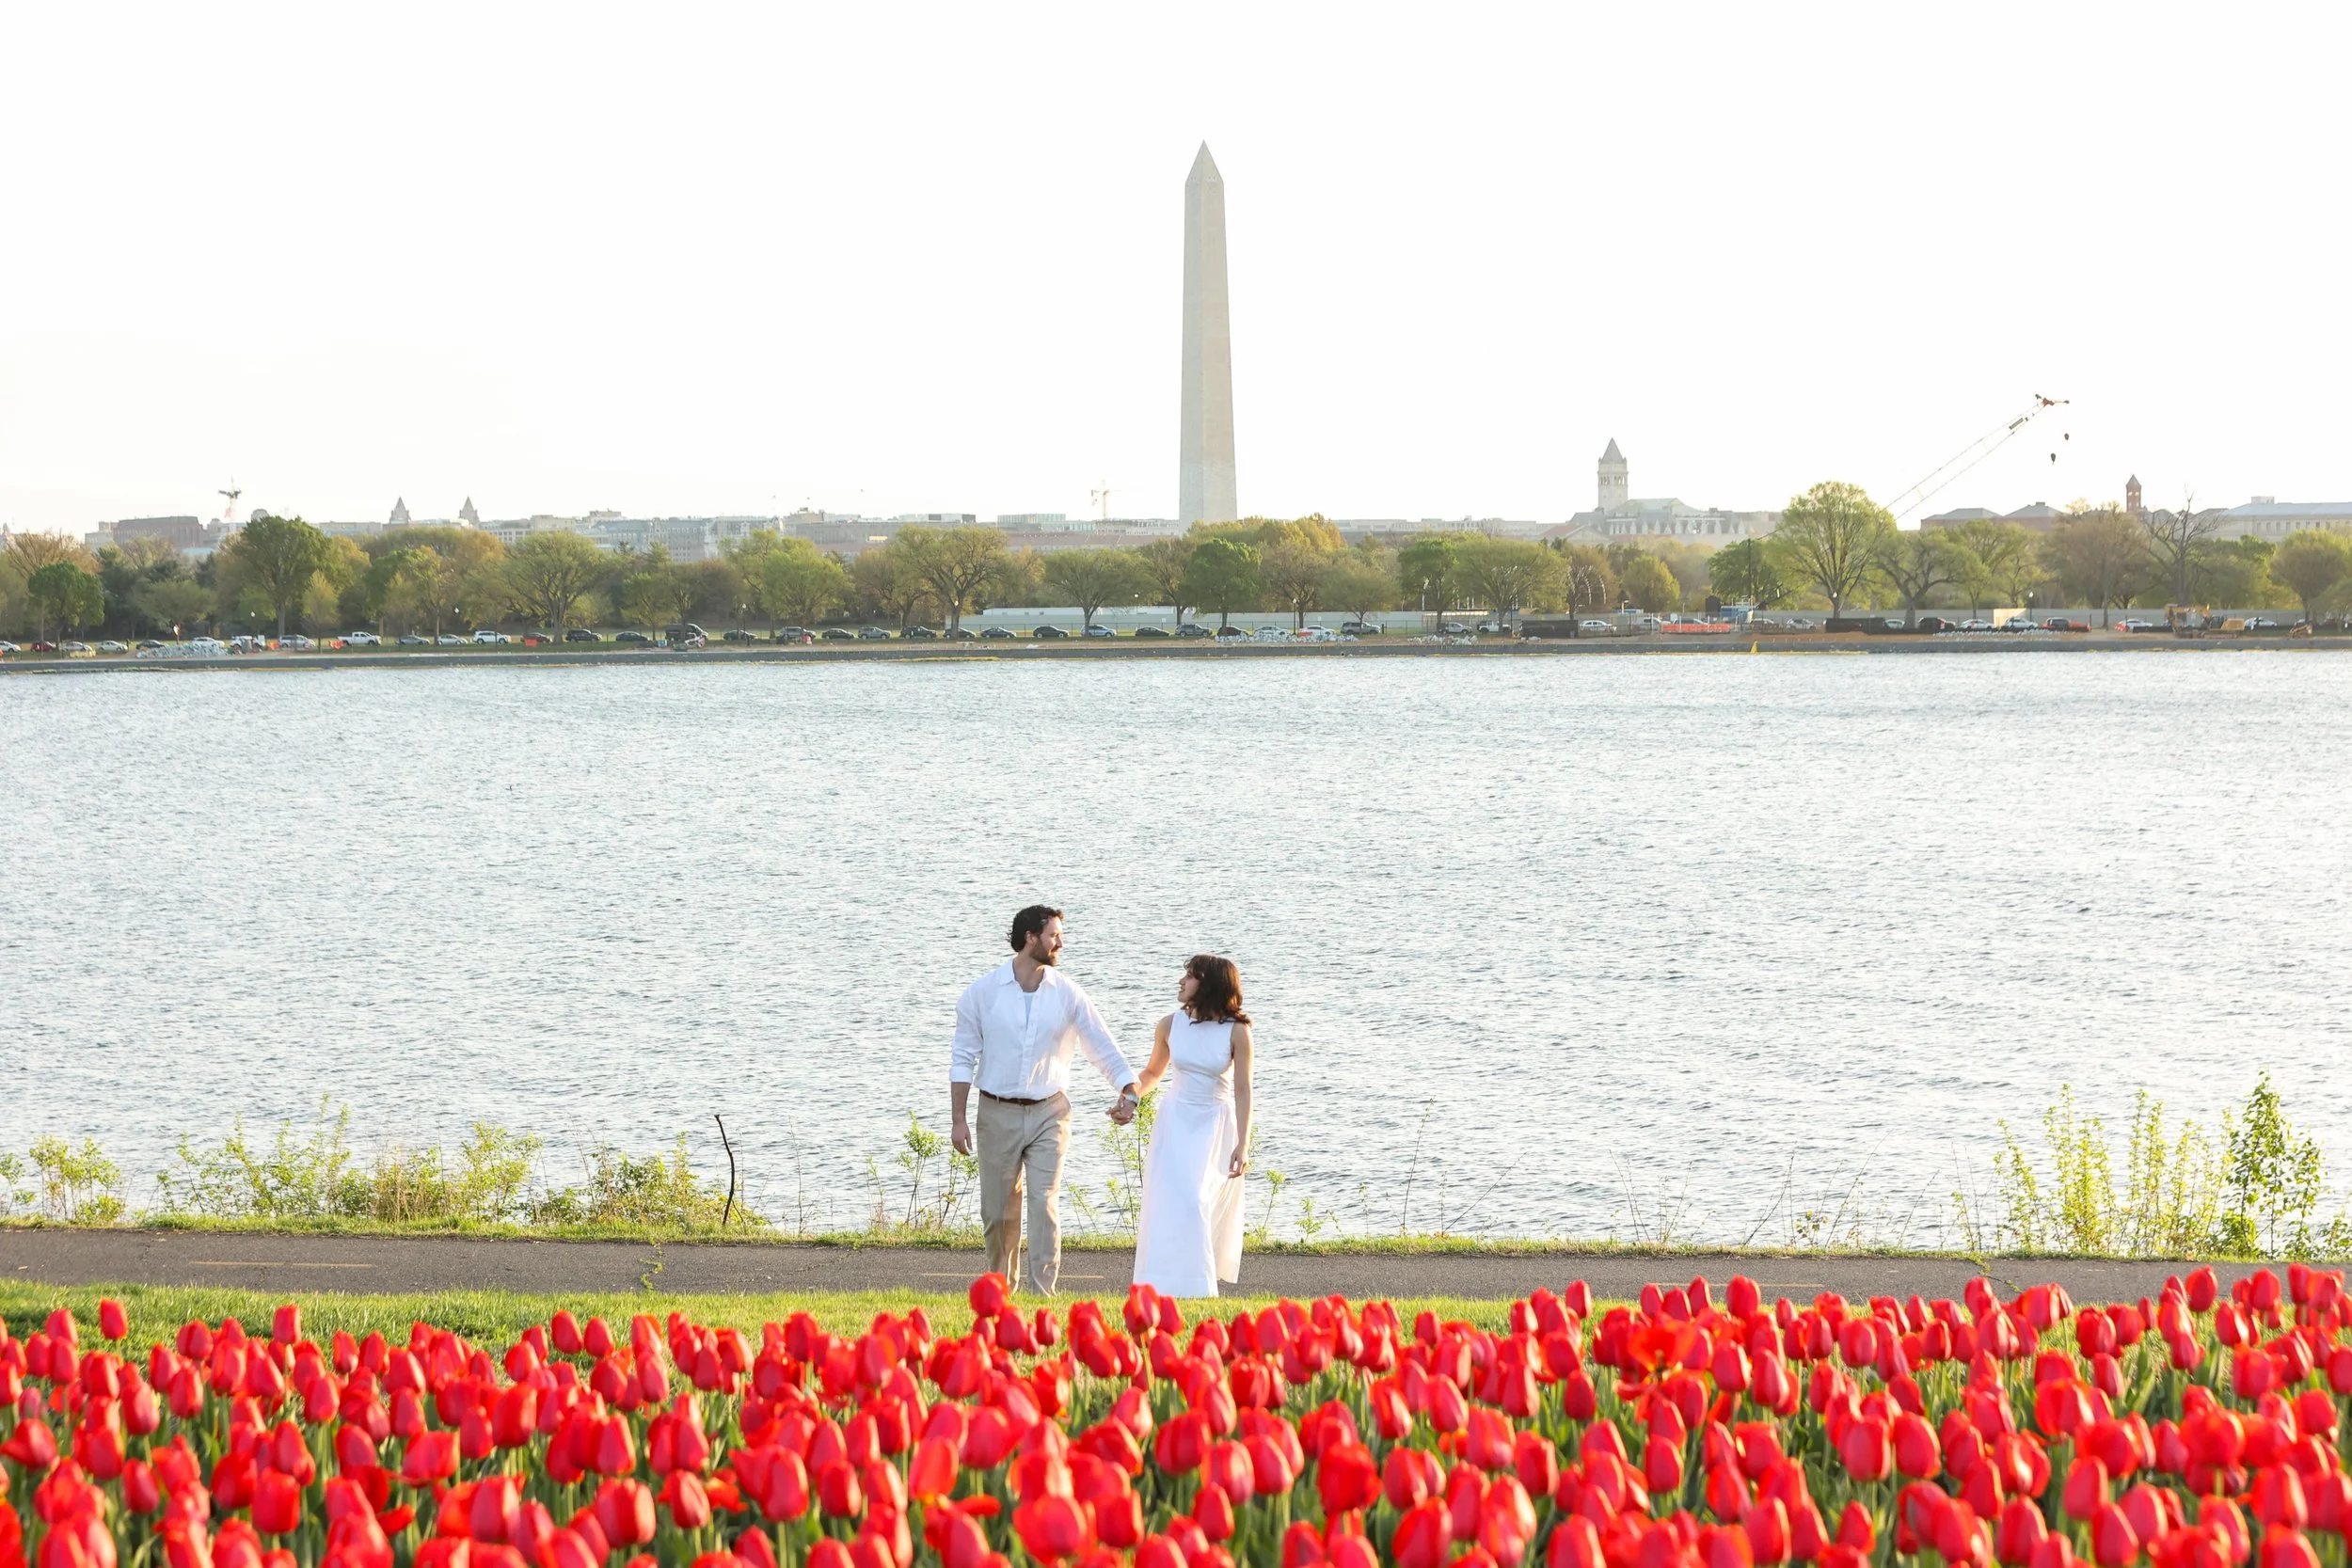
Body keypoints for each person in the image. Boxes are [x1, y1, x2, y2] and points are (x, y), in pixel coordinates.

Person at [950, 904, 1138, 1295]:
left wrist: (1128, 1090)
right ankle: (1000, 1293)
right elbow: (962, 1057)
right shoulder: (981, 994)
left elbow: (1100, 1046)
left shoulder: (1068, 993)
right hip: (996, 1112)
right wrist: (958, 1118)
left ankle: (1042, 1294)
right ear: (1030, 938)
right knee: (998, 1213)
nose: (1060, 943)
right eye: (1054, 935)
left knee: (1043, 1203)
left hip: (1050, 1112)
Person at [1131, 954, 1254, 1298]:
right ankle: (1160, 1284)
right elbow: (1153, 1072)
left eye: (1190, 976)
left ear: (1210, 984)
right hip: (1175, 1119)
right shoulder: (1170, 1025)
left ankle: (1199, 1287)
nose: (1181, 982)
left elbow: (1244, 1089)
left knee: (1195, 1201)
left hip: (1214, 1123)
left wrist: (1242, 1144)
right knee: (1168, 1201)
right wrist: (1130, 1097)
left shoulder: (1237, 1031)